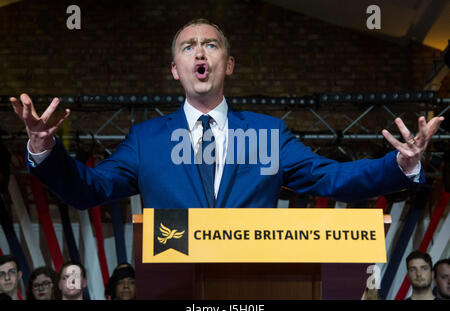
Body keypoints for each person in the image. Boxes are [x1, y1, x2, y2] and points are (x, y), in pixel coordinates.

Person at [9, 18, 444, 210]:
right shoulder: (146, 140)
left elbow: (333, 178)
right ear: (176, 71)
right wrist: (44, 151)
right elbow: (91, 189)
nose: (200, 52)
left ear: (227, 65)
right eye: (188, 47)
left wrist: (401, 164)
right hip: (173, 284)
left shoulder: (267, 134)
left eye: (211, 45)